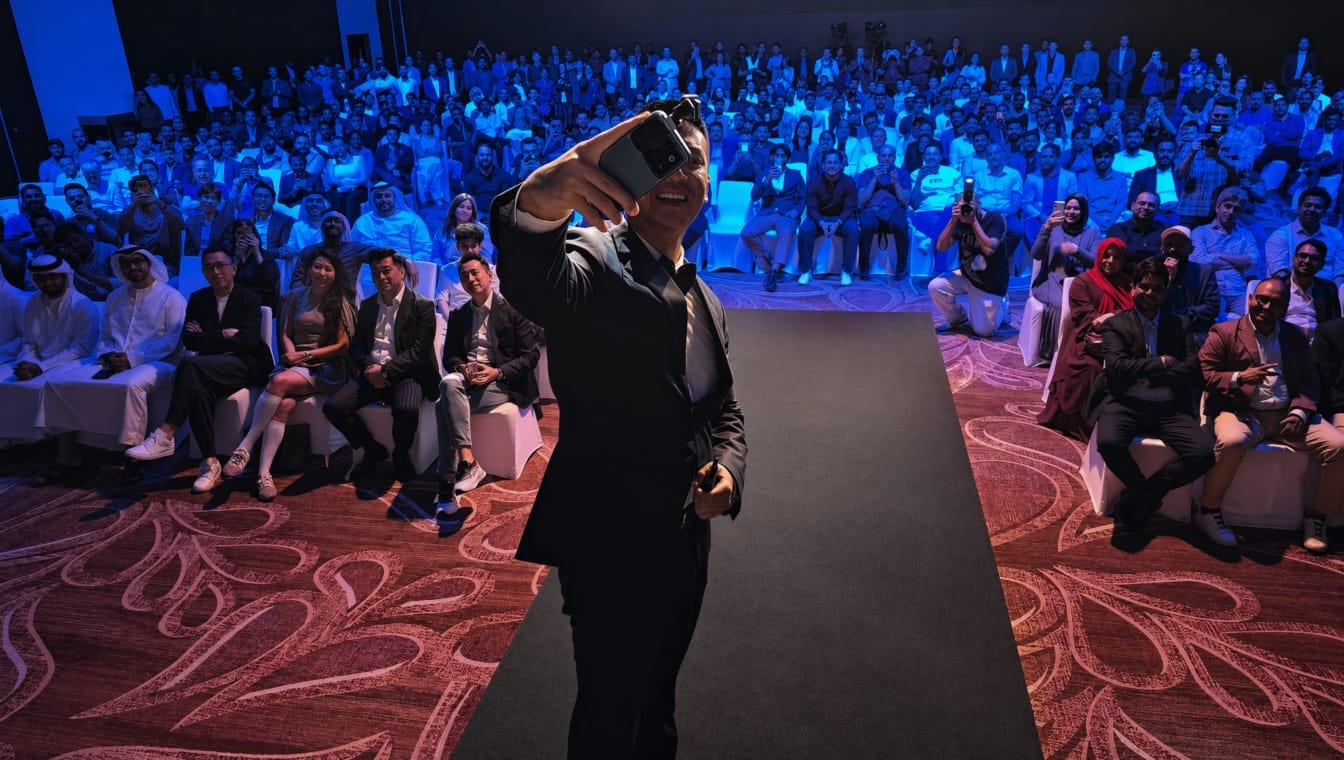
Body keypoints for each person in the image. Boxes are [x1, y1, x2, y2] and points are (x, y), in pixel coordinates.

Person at [492, 96, 746, 758]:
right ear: (630, 174)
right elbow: (534, 270)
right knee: (609, 715)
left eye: (692, 160)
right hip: (610, 547)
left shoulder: (705, 296)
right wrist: (541, 196)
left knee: (658, 704)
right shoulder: (594, 258)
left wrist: (728, 468)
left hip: (686, 540)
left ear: (710, 178)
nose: (677, 175)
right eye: (661, 159)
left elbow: (723, 409)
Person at [1199, 277, 1344, 553]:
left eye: (1275, 303)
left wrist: (1300, 412)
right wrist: (1240, 377)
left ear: (1286, 307)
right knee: (1230, 442)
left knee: (1339, 446)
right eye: (1261, 299)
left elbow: (1309, 380)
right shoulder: (1225, 331)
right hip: (1241, 410)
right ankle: (1209, 510)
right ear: (1251, 299)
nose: (1266, 306)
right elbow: (1204, 374)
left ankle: (1317, 518)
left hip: (1286, 414)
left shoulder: (1295, 336)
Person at [124, 248, 274, 493]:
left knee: (190, 365)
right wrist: (224, 334)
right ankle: (210, 461)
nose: (216, 272)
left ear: (233, 268)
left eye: (221, 265)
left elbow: (246, 342)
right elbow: (190, 341)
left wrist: (207, 336)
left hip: (244, 366)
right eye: (210, 268)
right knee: (198, 389)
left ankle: (166, 432)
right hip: (209, 366)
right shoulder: (198, 299)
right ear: (204, 272)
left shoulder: (249, 298)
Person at [41, 248, 186, 482]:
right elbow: (106, 336)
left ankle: (135, 457)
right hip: (114, 360)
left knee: (130, 386)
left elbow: (172, 340)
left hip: (161, 361)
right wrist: (108, 354)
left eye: (137, 261)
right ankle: (67, 456)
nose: (133, 268)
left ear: (149, 263)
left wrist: (133, 359)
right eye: (126, 264)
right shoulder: (114, 298)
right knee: (60, 382)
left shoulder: (171, 297)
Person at [1090, 256, 1213, 530]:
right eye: (1144, 287)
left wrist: (1149, 375)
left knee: (1203, 455)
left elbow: (1192, 370)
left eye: (1157, 288)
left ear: (1165, 292)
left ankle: (1148, 492)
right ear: (1132, 288)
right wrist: (1159, 363)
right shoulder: (1117, 325)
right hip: (1125, 403)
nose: (1149, 294)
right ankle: (1143, 492)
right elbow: (1117, 370)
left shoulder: (1180, 324)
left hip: (1167, 407)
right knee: (1109, 443)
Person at [222, 249, 356, 500]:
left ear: (335, 274)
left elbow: (342, 346)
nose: (323, 273)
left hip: (326, 367)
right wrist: (292, 356)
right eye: (318, 267)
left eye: (328, 269)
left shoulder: (338, 302)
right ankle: (264, 474)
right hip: (295, 363)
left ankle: (245, 446)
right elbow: (284, 334)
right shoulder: (293, 297)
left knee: (279, 381)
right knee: (283, 405)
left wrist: (304, 357)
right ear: (308, 270)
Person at [434, 251, 540, 523]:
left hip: (504, 383)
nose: (470, 279)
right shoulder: (459, 315)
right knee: (448, 383)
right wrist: (463, 368)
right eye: (464, 276)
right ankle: (468, 462)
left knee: (442, 404)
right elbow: (450, 358)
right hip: (468, 382)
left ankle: (446, 482)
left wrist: (497, 371)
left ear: (489, 275)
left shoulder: (513, 310)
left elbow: (530, 356)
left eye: (474, 273)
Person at [321, 247, 440, 484]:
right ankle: (371, 448)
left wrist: (385, 371)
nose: (381, 277)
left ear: (401, 272)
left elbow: (418, 352)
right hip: (371, 371)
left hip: (407, 374)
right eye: (376, 273)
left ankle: (401, 454)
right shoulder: (367, 305)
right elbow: (356, 347)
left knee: (406, 409)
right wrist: (369, 369)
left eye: (386, 271)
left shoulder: (422, 306)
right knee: (333, 408)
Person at [1038, 238, 1133, 440]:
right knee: (1091, 368)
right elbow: (1089, 319)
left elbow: (1134, 314)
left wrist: (1115, 319)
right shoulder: (1083, 282)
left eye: (1116, 257)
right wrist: (1117, 318)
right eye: (1106, 255)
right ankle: (1079, 424)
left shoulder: (1127, 283)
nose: (1110, 261)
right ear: (1099, 256)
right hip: (1086, 338)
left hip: (1122, 338)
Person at [0, 256, 99, 444]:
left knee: (50, 387)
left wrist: (42, 367)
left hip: (76, 361)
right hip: (39, 361)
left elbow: (81, 348)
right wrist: (26, 361)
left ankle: (55, 449)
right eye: (41, 279)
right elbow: (29, 342)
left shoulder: (82, 304)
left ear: (64, 277)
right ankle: (16, 444)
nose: (47, 283)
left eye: (53, 277)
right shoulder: (33, 302)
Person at [928, 187, 1009, 337]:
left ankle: (1003, 304)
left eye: (970, 204)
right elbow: (941, 247)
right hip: (967, 274)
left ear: (979, 204)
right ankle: (957, 318)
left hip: (991, 281)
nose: (966, 208)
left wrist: (973, 222)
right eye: (961, 205)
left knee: (984, 331)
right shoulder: (959, 221)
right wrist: (952, 221)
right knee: (936, 286)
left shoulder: (995, 219)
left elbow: (989, 249)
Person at [1030, 193, 1100, 363]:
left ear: (1083, 212)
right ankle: (1056, 351)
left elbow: (1095, 262)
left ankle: (1080, 350)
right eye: (1068, 208)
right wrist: (1045, 228)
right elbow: (1036, 254)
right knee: (1062, 305)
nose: (1071, 212)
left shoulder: (1092, 232)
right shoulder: (1053, 228)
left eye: (1076, 208)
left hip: (1079, 281)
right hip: (1052, 279)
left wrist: (1077, 251)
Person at [740, 144, 805, 291]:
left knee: (787, 232)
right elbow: (754, 195)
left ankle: (774, 271)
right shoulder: (764, 174)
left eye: (783, 156)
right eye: (777, 155)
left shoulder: (796, 174)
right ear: (772, 157)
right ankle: (767, 257)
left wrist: (797, 211)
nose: (779, 158)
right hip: (767, 212)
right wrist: (767, 180)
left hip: (787, 214)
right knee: (746, 233)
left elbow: (802, 197)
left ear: (787, 159)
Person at [1190, 187, 1262, 316]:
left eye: (1236, 209)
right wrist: (1240, 262)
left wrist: (1218, 254)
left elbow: (1254, 261)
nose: (1231, 212)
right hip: (1212, 290)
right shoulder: (1200, 232)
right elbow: (1200, 261)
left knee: (1254, 319)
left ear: (1240, 213)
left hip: (1239, 291)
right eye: (1227, 206)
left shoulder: (1246, 235)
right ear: (1217, 207)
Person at [796, 149, 859, 285]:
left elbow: (849, 208)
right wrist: (822, 223)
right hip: (819, 218)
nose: (832, 166)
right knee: (805, 230)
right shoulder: (814, 182)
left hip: (842, 218)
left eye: (835, 162)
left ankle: (846, 271)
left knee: (853, 230)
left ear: (841, 165)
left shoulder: (849, 182)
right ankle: (806, 271)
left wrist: (838, 222)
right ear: (823, 165)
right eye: (828, 162)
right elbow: (811, 209)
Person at [1265, 187, 1344, 285]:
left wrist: (1335, 295)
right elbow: (1279, 273)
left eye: (1318, 207)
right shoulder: (1280, 236)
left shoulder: (1335, 235)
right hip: (1289, 291)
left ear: (1324, 212)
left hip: (1327, 292)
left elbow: (1340, 272)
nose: (1312, 210)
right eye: (1308, 205)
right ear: (1298, 208)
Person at [1157, 225, 1221, 345]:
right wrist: (1169, 279)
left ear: (1190, 249)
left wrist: (1181, 317)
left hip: (1196, 330)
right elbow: (1154, 305)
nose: (1172, 249)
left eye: (1179, 246)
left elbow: (1212, 307)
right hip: (1162, 328)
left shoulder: (1204, 272)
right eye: (1169, 245)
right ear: (1162, 249)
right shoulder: (1155, 271)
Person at [857, 144, 912, 280]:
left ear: (895, 158)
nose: (886, 159)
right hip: (872, 210)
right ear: (878, 157)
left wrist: (896, 183)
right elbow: (862, 201)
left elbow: (905, 201)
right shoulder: (867, 173)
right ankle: (864, 265)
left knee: (901, 226)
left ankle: (901, 264)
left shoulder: (903, 174)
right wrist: (874, 180)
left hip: (894, 210)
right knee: (867, 226)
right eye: (883, 155)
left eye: (890, 155)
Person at [351, 182, 433, 261]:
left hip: (404, 268)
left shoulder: (411, 220)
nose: (383, 199)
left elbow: (425, 250)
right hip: (369, 269)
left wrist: (407, 263)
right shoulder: (362, 222)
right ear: (373, 200)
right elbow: (352, 249)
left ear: (394, 198)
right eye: (379, 196)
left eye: (387, 196)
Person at [1282, 239, 1341, 341]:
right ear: (1293, 260)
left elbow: (1334, 323)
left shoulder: (1328, 288)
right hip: (1286, 342)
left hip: (1319, 344)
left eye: (1313, 258)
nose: (1307, 261)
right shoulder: (1279, 286)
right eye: (1303, 256)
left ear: (1321, 264)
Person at [227, 218, 281, 309]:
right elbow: (226, 280)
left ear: (254, 234)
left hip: (261, 299)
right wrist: (237, 258)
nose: (243, 236)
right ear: (234, 235)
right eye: (239, 233)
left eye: (248, 232)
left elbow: (271, 281)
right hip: (236, 299)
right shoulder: (229, 255)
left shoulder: (264, 255)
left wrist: (256, 252)